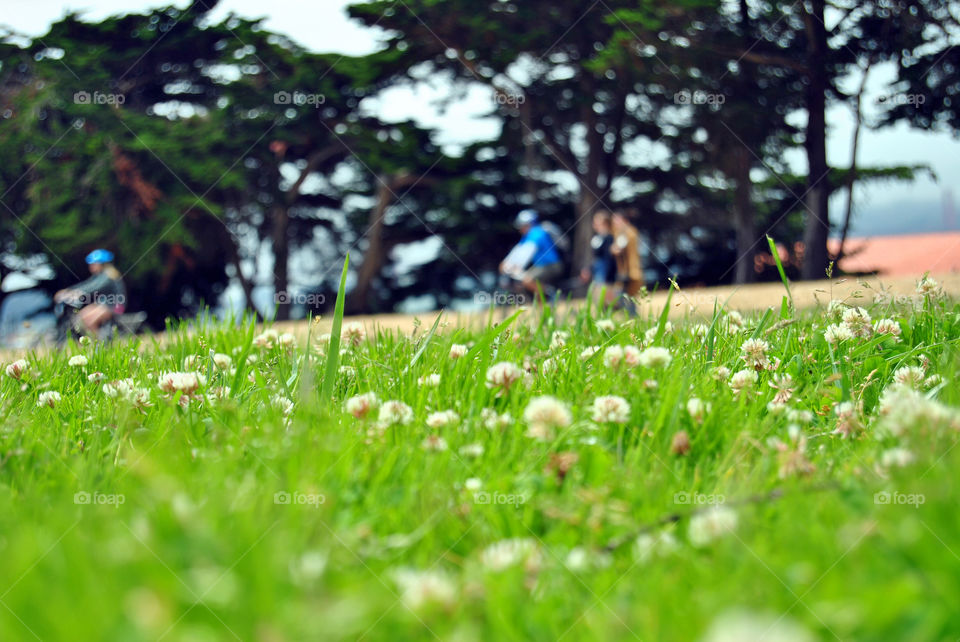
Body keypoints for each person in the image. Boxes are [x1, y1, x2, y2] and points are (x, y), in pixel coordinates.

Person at [54, 249, 126, 335]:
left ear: (102, 264)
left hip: (116, 307)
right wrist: (69, 291)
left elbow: (93, 287)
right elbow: (88, 284)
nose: (91, 266)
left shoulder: (108, 275)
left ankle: (97, 341)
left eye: (94, 264)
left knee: (89, 322)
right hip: (104, 305)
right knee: (81, 317)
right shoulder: (101, 275)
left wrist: (71, 292)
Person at [499, 209, 564, 298]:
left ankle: (552, 295)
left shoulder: (536, 233)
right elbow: (518, 250)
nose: (520, 229)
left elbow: (528, 252)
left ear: (528, 224)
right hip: (541, 266)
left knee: (527, 280)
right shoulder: (528, 235)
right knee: (521, 282)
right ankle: (545, 299)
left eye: (521, 226)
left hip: (551, 265)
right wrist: (506, 263)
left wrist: (515, 266)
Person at [580, 211, 617, 303]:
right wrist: (589, 269)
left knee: (604, 297)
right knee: (597, 296)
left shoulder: (609, 238)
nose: (595, 225)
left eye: (597, 223)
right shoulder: (597, 238)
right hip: (598, 270)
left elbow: (608, 258)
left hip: (605, 271)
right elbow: (595, 257)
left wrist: (608, 276)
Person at [610, 211, 644, 311]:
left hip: (631, 270)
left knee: (630, 296)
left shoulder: (630, 232)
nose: (615, 224)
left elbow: (620, 248)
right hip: (622, 271)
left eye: (617, 221)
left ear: (624, 221)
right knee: (622, 295)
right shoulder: (618, 233)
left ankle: (632, 316)